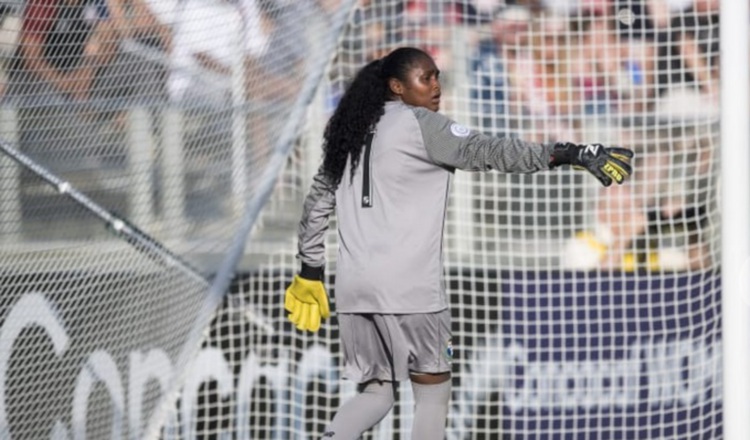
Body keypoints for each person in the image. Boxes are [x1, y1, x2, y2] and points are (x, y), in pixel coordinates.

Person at [283, 47, 634, 439]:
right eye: (425, 78)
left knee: (376, 395)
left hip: (355, 291)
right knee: (432, 397)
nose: (436, 87)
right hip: (411, 289)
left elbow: (317, 202)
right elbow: (490, 151)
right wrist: (567, 153)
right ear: (397, 87)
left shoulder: (348, 131)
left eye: (437, 76)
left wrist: (309, 271)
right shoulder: (422, 125)